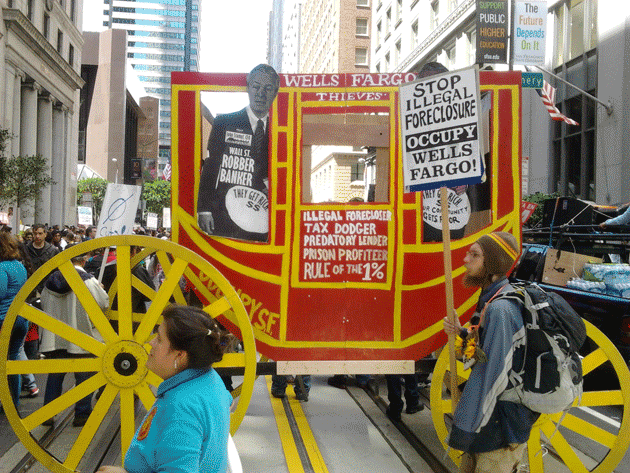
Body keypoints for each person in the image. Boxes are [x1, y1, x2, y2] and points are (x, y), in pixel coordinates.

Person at [442, 232, 539, 473]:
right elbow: (484, 352)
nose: (465, 259)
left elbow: (493, 374)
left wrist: (467, 425)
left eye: (474, 254)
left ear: (493, 263)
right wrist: (462, 333)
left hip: (498, 429)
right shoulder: (491, 299)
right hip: (492, 423)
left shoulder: (500, 309)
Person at [97, 305, 233, 473]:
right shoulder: (210, 379)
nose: (150, 343)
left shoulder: (180, 410)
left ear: (180, 355)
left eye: (159, 339)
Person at [197, 64, 280, 242]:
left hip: (263, 218)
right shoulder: (224, 122)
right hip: (225, 215)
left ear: (275, 93)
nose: (261, 93)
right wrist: (204, 209)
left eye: (268, 88)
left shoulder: (282, 130)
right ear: (248, 88)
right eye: (256, 86)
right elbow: (211, 166)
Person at [39, 247, 109, 426]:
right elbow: (103, 304)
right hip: (81, 336)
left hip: (55, 339)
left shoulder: (50, 282)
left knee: (55, 376)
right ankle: (82, 413)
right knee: (83, 376)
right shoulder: (89, 281)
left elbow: (44, 304)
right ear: (84, 260)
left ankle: (48, 412)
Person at [0, 232, 29, 408]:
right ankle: (14, 402)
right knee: (13, 361)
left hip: (3, 319)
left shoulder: (2, 268)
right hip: (21, 318)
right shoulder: (20, 266)